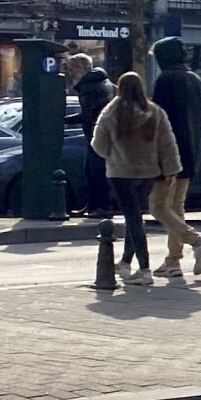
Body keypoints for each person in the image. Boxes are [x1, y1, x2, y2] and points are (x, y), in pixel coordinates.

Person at [91, 70, 181, 284]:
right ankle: (125, 262)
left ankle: (144, 268)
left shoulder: (111, 112)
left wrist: (113, 154)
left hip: (120, 172)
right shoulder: (154, 112)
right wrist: (170, 169)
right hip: (148, 172)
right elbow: (167, 144)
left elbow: (98, 145)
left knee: (132, 218)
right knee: (136, 216)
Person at [147, 36, 201, 279]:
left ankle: (198, 242)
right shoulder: (196, 81)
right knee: (175, 206)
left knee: (157, 207)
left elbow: (159, 120)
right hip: (191, 151)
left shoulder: (167, 79)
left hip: (169, 154)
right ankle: (173, 260)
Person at [65, 53, 113, 216]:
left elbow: (88, 114)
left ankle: (100, 207)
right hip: (101, 133)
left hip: (96, 134)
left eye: (73, 68)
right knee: (92, 171)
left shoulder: (89, 87)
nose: (71, 72)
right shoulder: (102, 81)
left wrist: (63, 120)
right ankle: (93, 205)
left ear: (83, 67)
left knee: (95, 172)